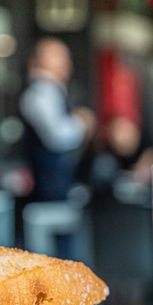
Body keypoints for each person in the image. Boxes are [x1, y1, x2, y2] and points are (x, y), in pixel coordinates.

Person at [19, 38, 95, 202]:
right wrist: (82, 123)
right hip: (46, 189)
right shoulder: (42, 91)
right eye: (56, 55)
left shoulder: (53, 92)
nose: (65, 62)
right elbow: (57, 136)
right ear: (37, 61)